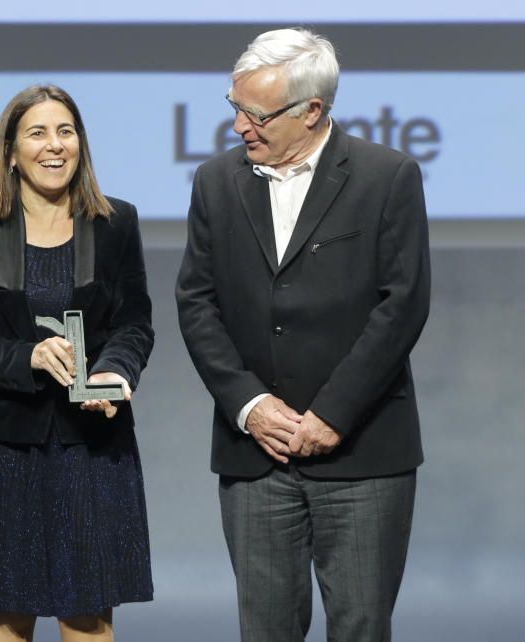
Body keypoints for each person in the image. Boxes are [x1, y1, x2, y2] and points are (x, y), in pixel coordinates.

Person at [175, 28, 430, 642]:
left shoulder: (386, 176)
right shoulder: (215, 181)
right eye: (234, 109)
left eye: (256, 114)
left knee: (361, 628)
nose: (240, 127)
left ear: (312, 110)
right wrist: (250, 406)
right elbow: (196, 301)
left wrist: (333, 414)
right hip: (254, 457)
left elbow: (403, 305)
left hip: (362, 452)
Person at [0, 84, 154, 642]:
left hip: (90, 447)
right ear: (11, 151)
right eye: (37, 133)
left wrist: (114, 371)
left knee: (88, 615)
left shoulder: (116, 223)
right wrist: (27, 356)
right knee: (5, 616)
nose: (54, 146)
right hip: (0, 447)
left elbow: (134, 324)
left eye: (66, 131)